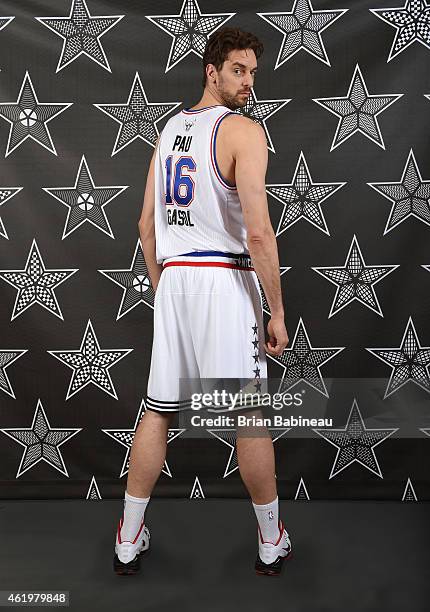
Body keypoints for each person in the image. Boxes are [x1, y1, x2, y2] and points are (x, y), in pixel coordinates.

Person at [113, 27, 292, 577]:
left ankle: (127, 537)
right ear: (211, 71)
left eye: (253, 73)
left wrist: (161, 285)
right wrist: (277, 310)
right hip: (222, 279)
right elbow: (259, 234)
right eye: (238, 70)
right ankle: (270, 540)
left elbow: (146, 225)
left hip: (174, 279)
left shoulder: (168, 131)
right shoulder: (242, 131)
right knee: (248, 416)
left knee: (157, 410)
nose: (248, 82)